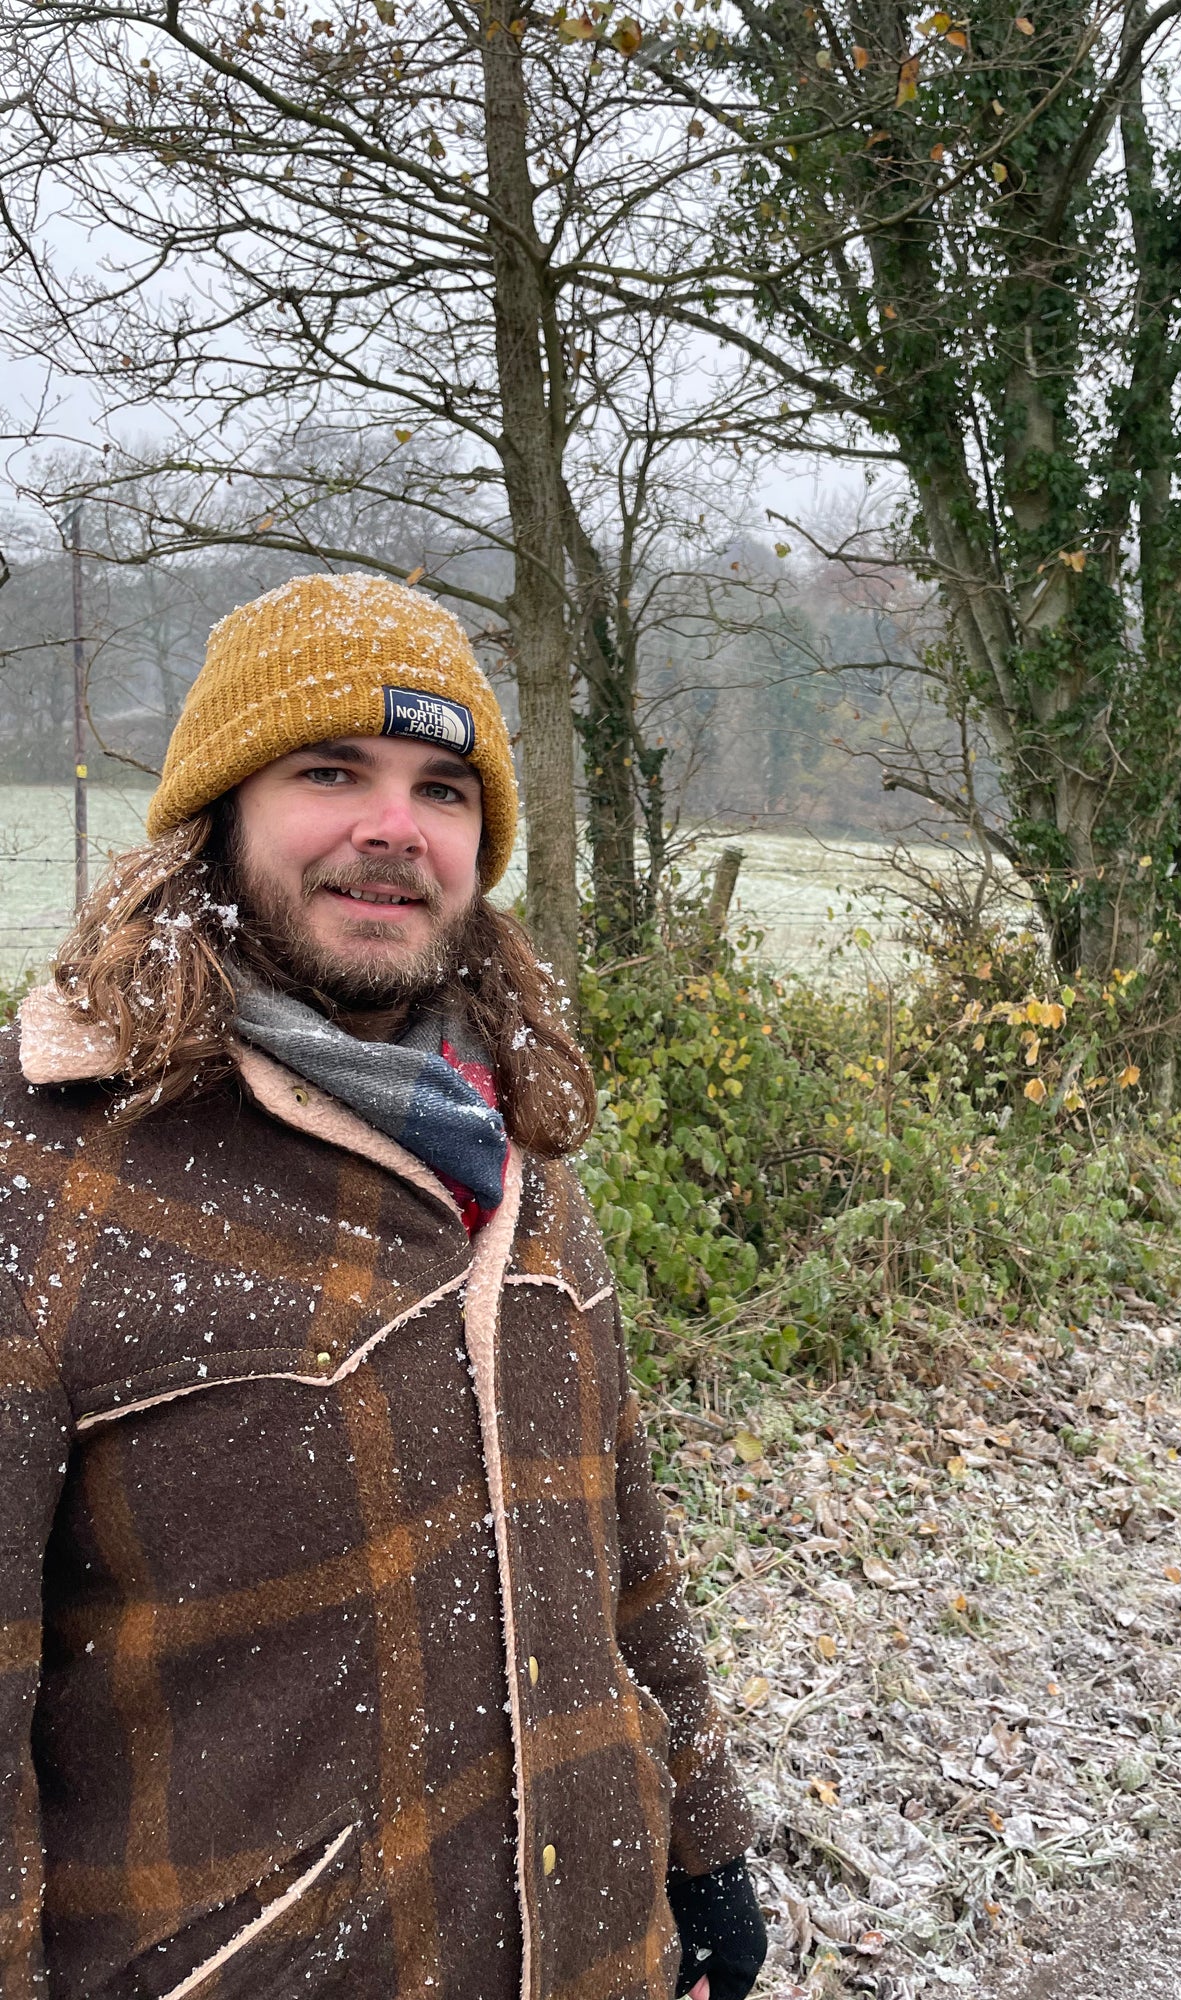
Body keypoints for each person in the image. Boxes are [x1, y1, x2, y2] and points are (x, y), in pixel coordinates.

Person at [0, 574, 769, 2000]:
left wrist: (703, 1845)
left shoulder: (515, 1133)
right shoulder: (48, 1167)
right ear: (217, 813)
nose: (393, 827)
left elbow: (621, 1536)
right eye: (331, 772)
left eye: (443, 789)